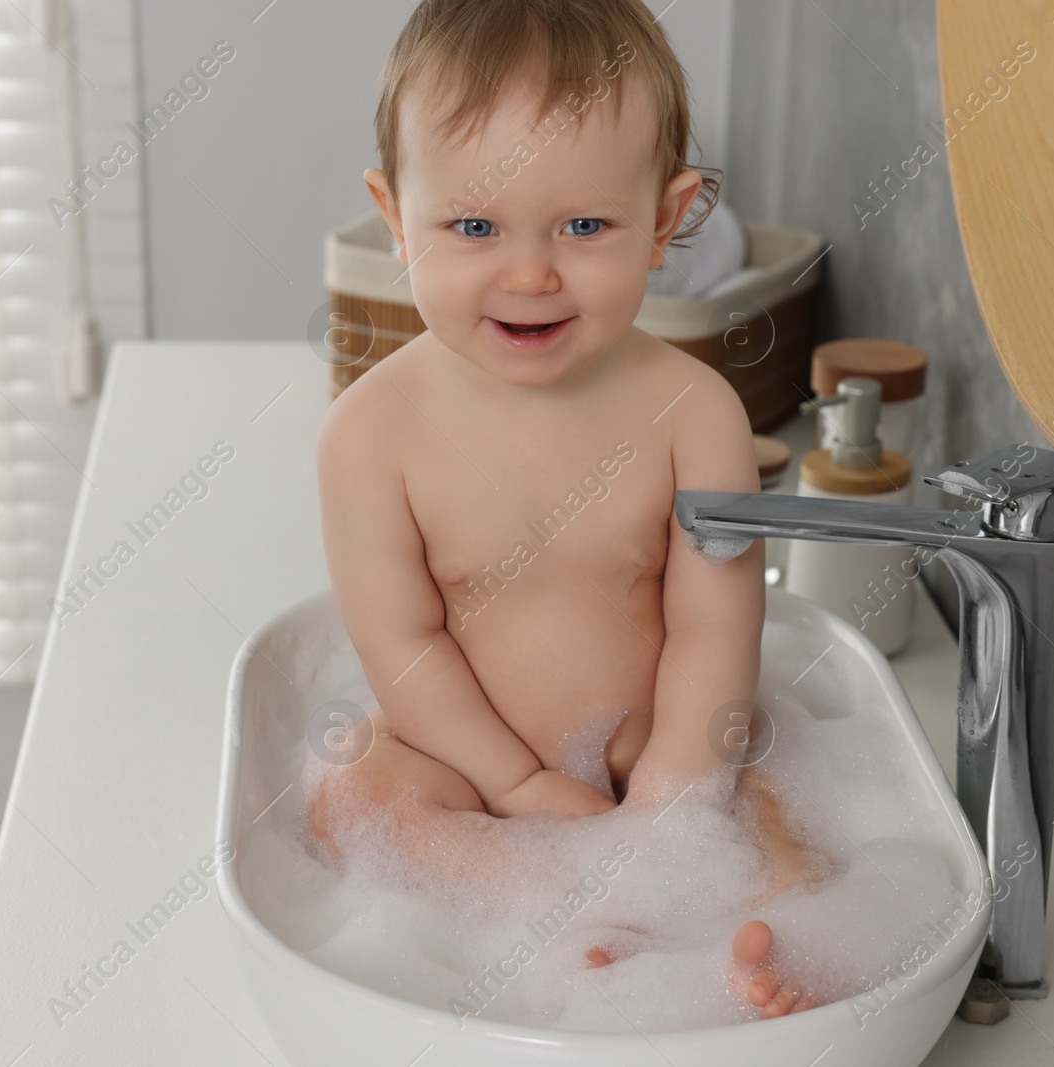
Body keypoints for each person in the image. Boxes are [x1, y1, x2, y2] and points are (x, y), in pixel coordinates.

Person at [310, 0, 822, 1019]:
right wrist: (511, 784)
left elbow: (713, 627)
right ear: (395, 216)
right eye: (473, 225)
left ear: (669, 220)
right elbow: (403, 644)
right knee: (352, 794)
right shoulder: (370, 433)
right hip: (454, 749)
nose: (531, 271)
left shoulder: (694, 413)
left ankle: (764, 940)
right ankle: (565, 913)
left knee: (754, 789)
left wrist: (675, 806)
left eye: (585, 225)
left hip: (643, 741)